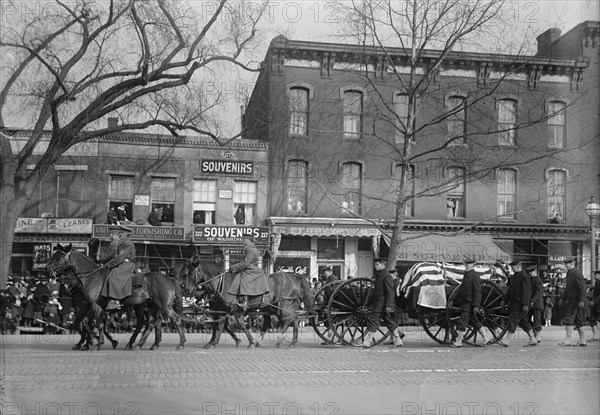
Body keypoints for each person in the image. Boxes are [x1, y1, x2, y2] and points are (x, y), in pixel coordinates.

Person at [353, 258, 404, 348]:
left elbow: (390, 292)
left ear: (382, 265)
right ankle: (398, 339)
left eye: (377, 265)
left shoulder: (386, 276)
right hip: (379, 304)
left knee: (374, 321)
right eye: (375, 265)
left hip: (382, 304)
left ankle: (368, 341)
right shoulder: (379, 275)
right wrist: (369, 302)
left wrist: (388, 305)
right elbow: (375, 291)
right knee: (389, 322)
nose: (375, 266)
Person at [497, 260, 538, 347]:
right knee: (523, 322)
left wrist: (525, 305)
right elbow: (510, 290)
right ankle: (533, 339)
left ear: (519, 267)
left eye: (513, 267)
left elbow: (527, 292)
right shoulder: (514, 277)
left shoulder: (524, 277)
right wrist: (505, 300)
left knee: (513, 320)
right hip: (514, 303)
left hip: (520, 304)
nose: (512, 269)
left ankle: (506, 340)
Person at [450, 259, 489, 348]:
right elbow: (461, 290)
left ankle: (459, 341)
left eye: (468, 265)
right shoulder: (466, 276)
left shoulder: (474, 277)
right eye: (465, 265)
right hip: (466, 302)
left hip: (470, 303)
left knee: (462, 320)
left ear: (473, 265)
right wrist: (453, 300)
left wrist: (476, 306)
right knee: (475, 321)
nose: (466, 266)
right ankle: (486, 338)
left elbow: (477, 292)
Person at [98, 225, 136, 310]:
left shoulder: (128, 244)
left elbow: (120, 258)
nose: (119, 235)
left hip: (127, 265)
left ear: (125, 235)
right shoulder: (122, 243)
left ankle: (115, 301)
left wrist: (108, 265)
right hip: (123, 264)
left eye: (121, 233)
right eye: (119, 233)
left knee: (114, 277)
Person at [227, 236, 270, 309]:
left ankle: (245, 302)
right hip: (247, 268)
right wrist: (236, 269)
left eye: (244, 239)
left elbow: (246, 262)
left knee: (245, 279)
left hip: (251, 269)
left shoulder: (252, 250)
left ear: (248, 240)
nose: (242, 241)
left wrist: (233, 267)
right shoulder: (247, 248)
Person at [558, 258, 588, 346]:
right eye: (565, 264)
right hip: (572, 300)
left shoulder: (576, 273)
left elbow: (582, 288)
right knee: (579, 321)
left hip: (575, 301)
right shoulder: (570, 273)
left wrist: (582, 300)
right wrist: (563, 298)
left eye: (568, 264)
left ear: (573, 263)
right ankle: (583, 340)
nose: (566, 265)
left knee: (569, 320)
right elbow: (567, 288)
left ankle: (567, 340)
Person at [527, 265, 544, 343]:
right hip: (530, 303)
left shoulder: (538, 281)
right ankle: (534, 334)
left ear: (535, 271)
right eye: (529, 272)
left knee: (537, 320)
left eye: (531, 272)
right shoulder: (530, 280)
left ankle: (538, 336)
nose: (529, 273)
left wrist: (533, 300)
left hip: (536, 303)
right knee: (527, 319)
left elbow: (538, 292)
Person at [588, 270, 600, 342]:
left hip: (598, 304)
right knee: (592, 319)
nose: (594, 276)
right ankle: (595, 335)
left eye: (596, 275)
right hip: (595, 305)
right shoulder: (596, 283)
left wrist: (594, 301)